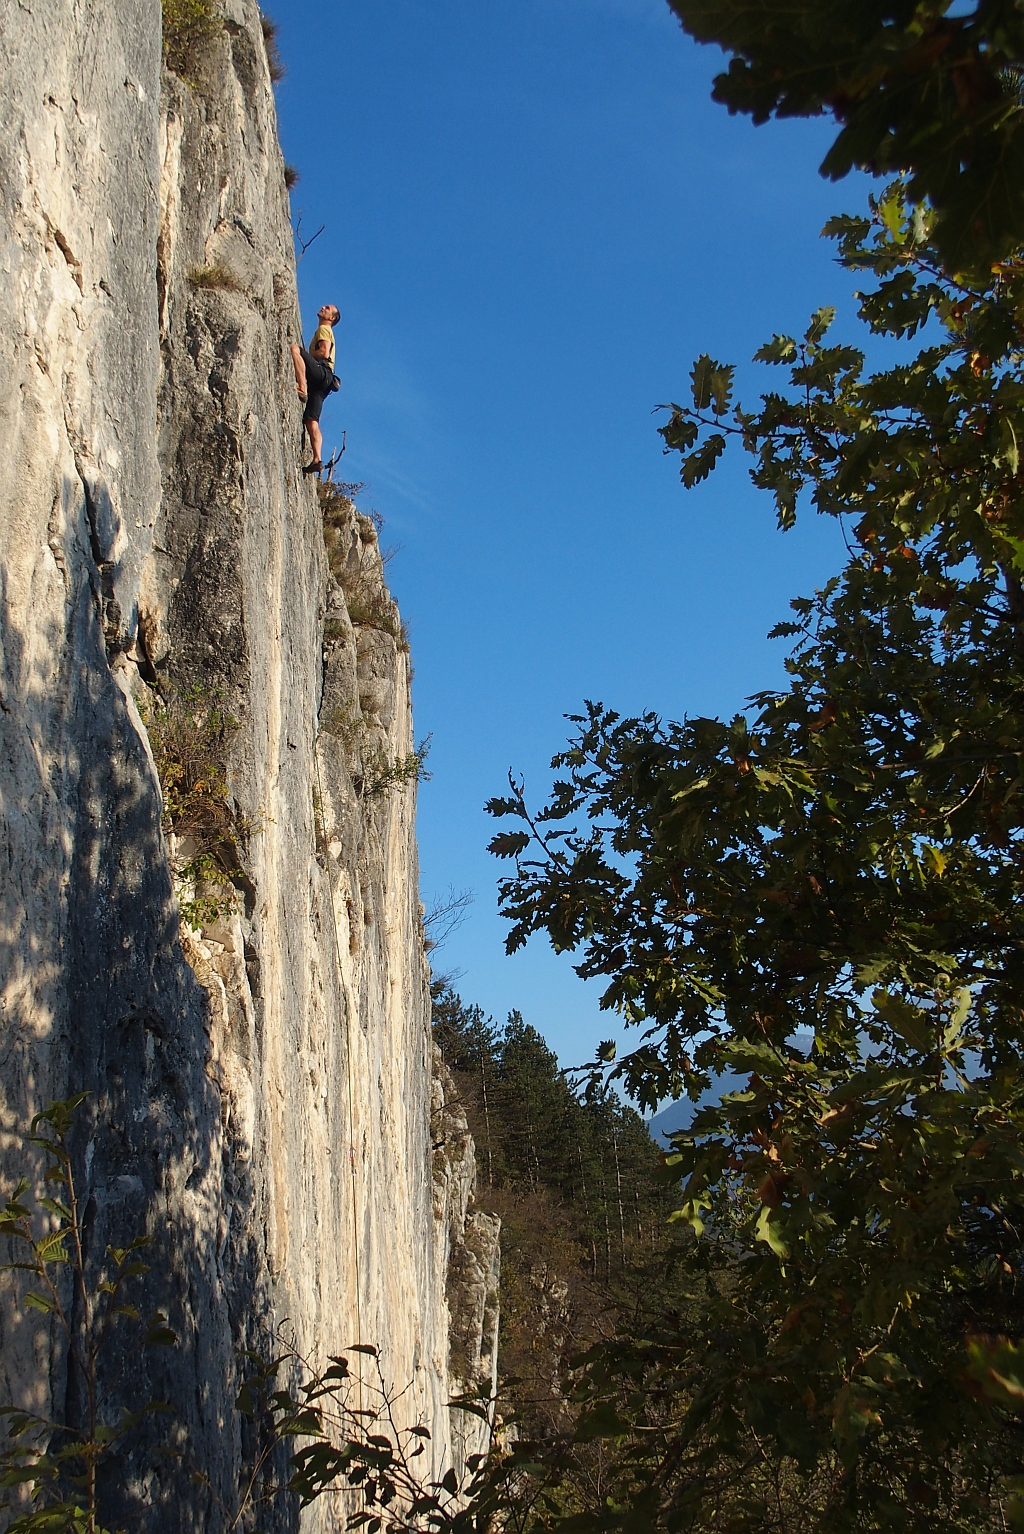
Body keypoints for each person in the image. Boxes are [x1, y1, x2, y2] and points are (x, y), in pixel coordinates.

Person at [289, 303, 340, 475]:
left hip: (322, 372)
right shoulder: (326, 331)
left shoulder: (324, 329)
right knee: (312, 421)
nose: (322, 307)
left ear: (331, 318)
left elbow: (324, 352)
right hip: (326, 382)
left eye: (327, 308)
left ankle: (302, 386)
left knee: (295, 349)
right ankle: (317, 459)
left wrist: (307, 357)